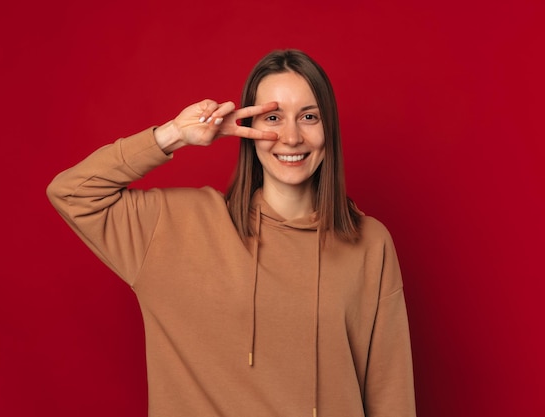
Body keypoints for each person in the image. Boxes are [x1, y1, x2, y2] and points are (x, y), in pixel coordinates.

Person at [47, 49, 416, 417]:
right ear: (248, 129)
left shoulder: (368, 242)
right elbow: (73, 193)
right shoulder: (173, 227)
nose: (290, 137)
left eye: (308, 117)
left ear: (329, 128)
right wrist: (173, 135)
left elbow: (390, 395)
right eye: (272, 117)